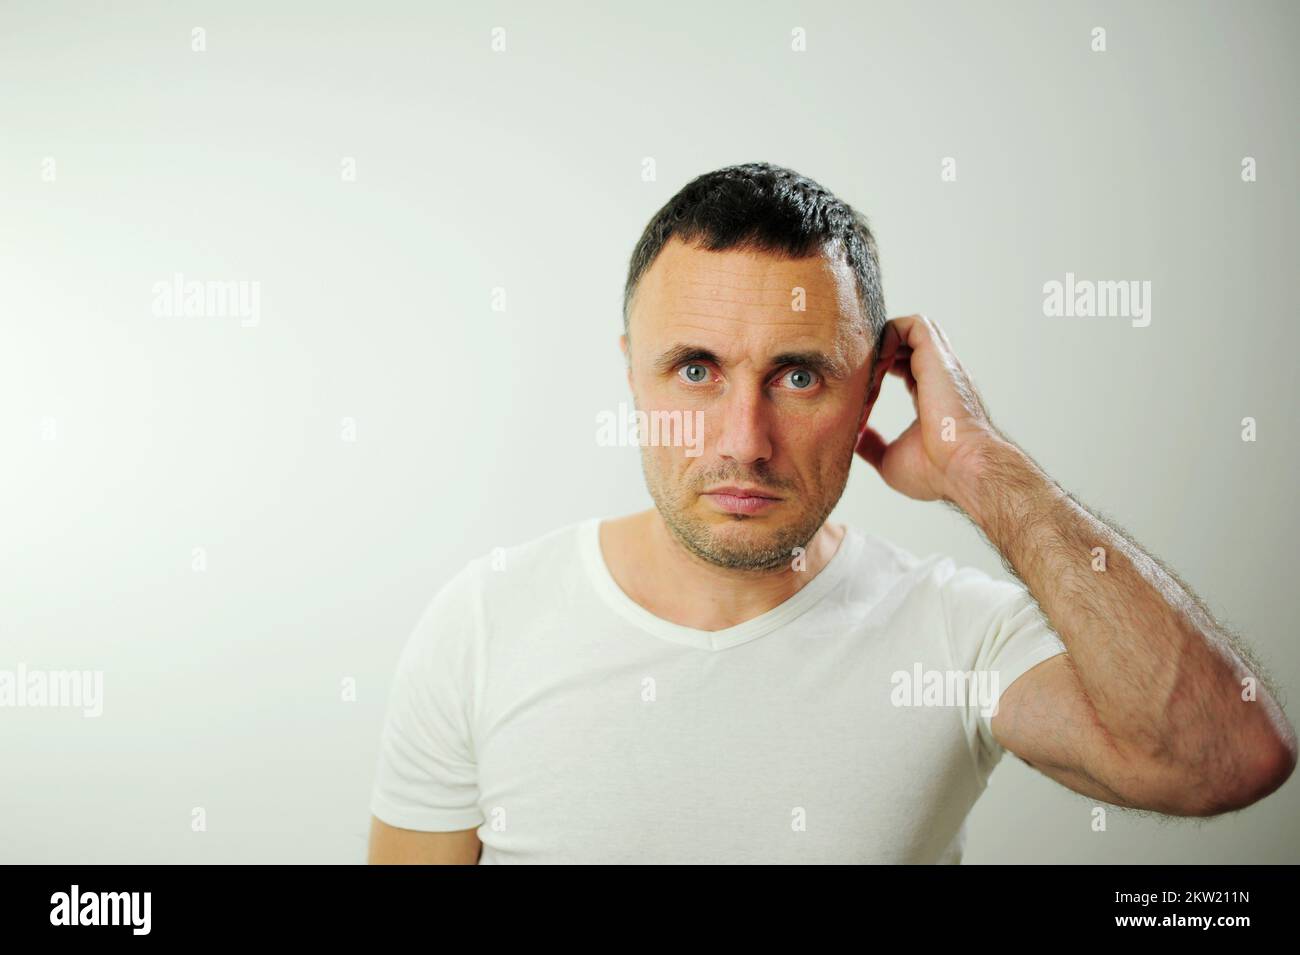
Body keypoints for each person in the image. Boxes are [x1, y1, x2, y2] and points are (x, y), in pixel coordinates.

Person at [367, 162, 1296, 864]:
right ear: (630, 376)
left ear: (876, 390)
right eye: (696, 369)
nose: (744, 439)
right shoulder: (485, 623)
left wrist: (984, 467)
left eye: (800, 375)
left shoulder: (954, 635)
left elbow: (1228, 756)